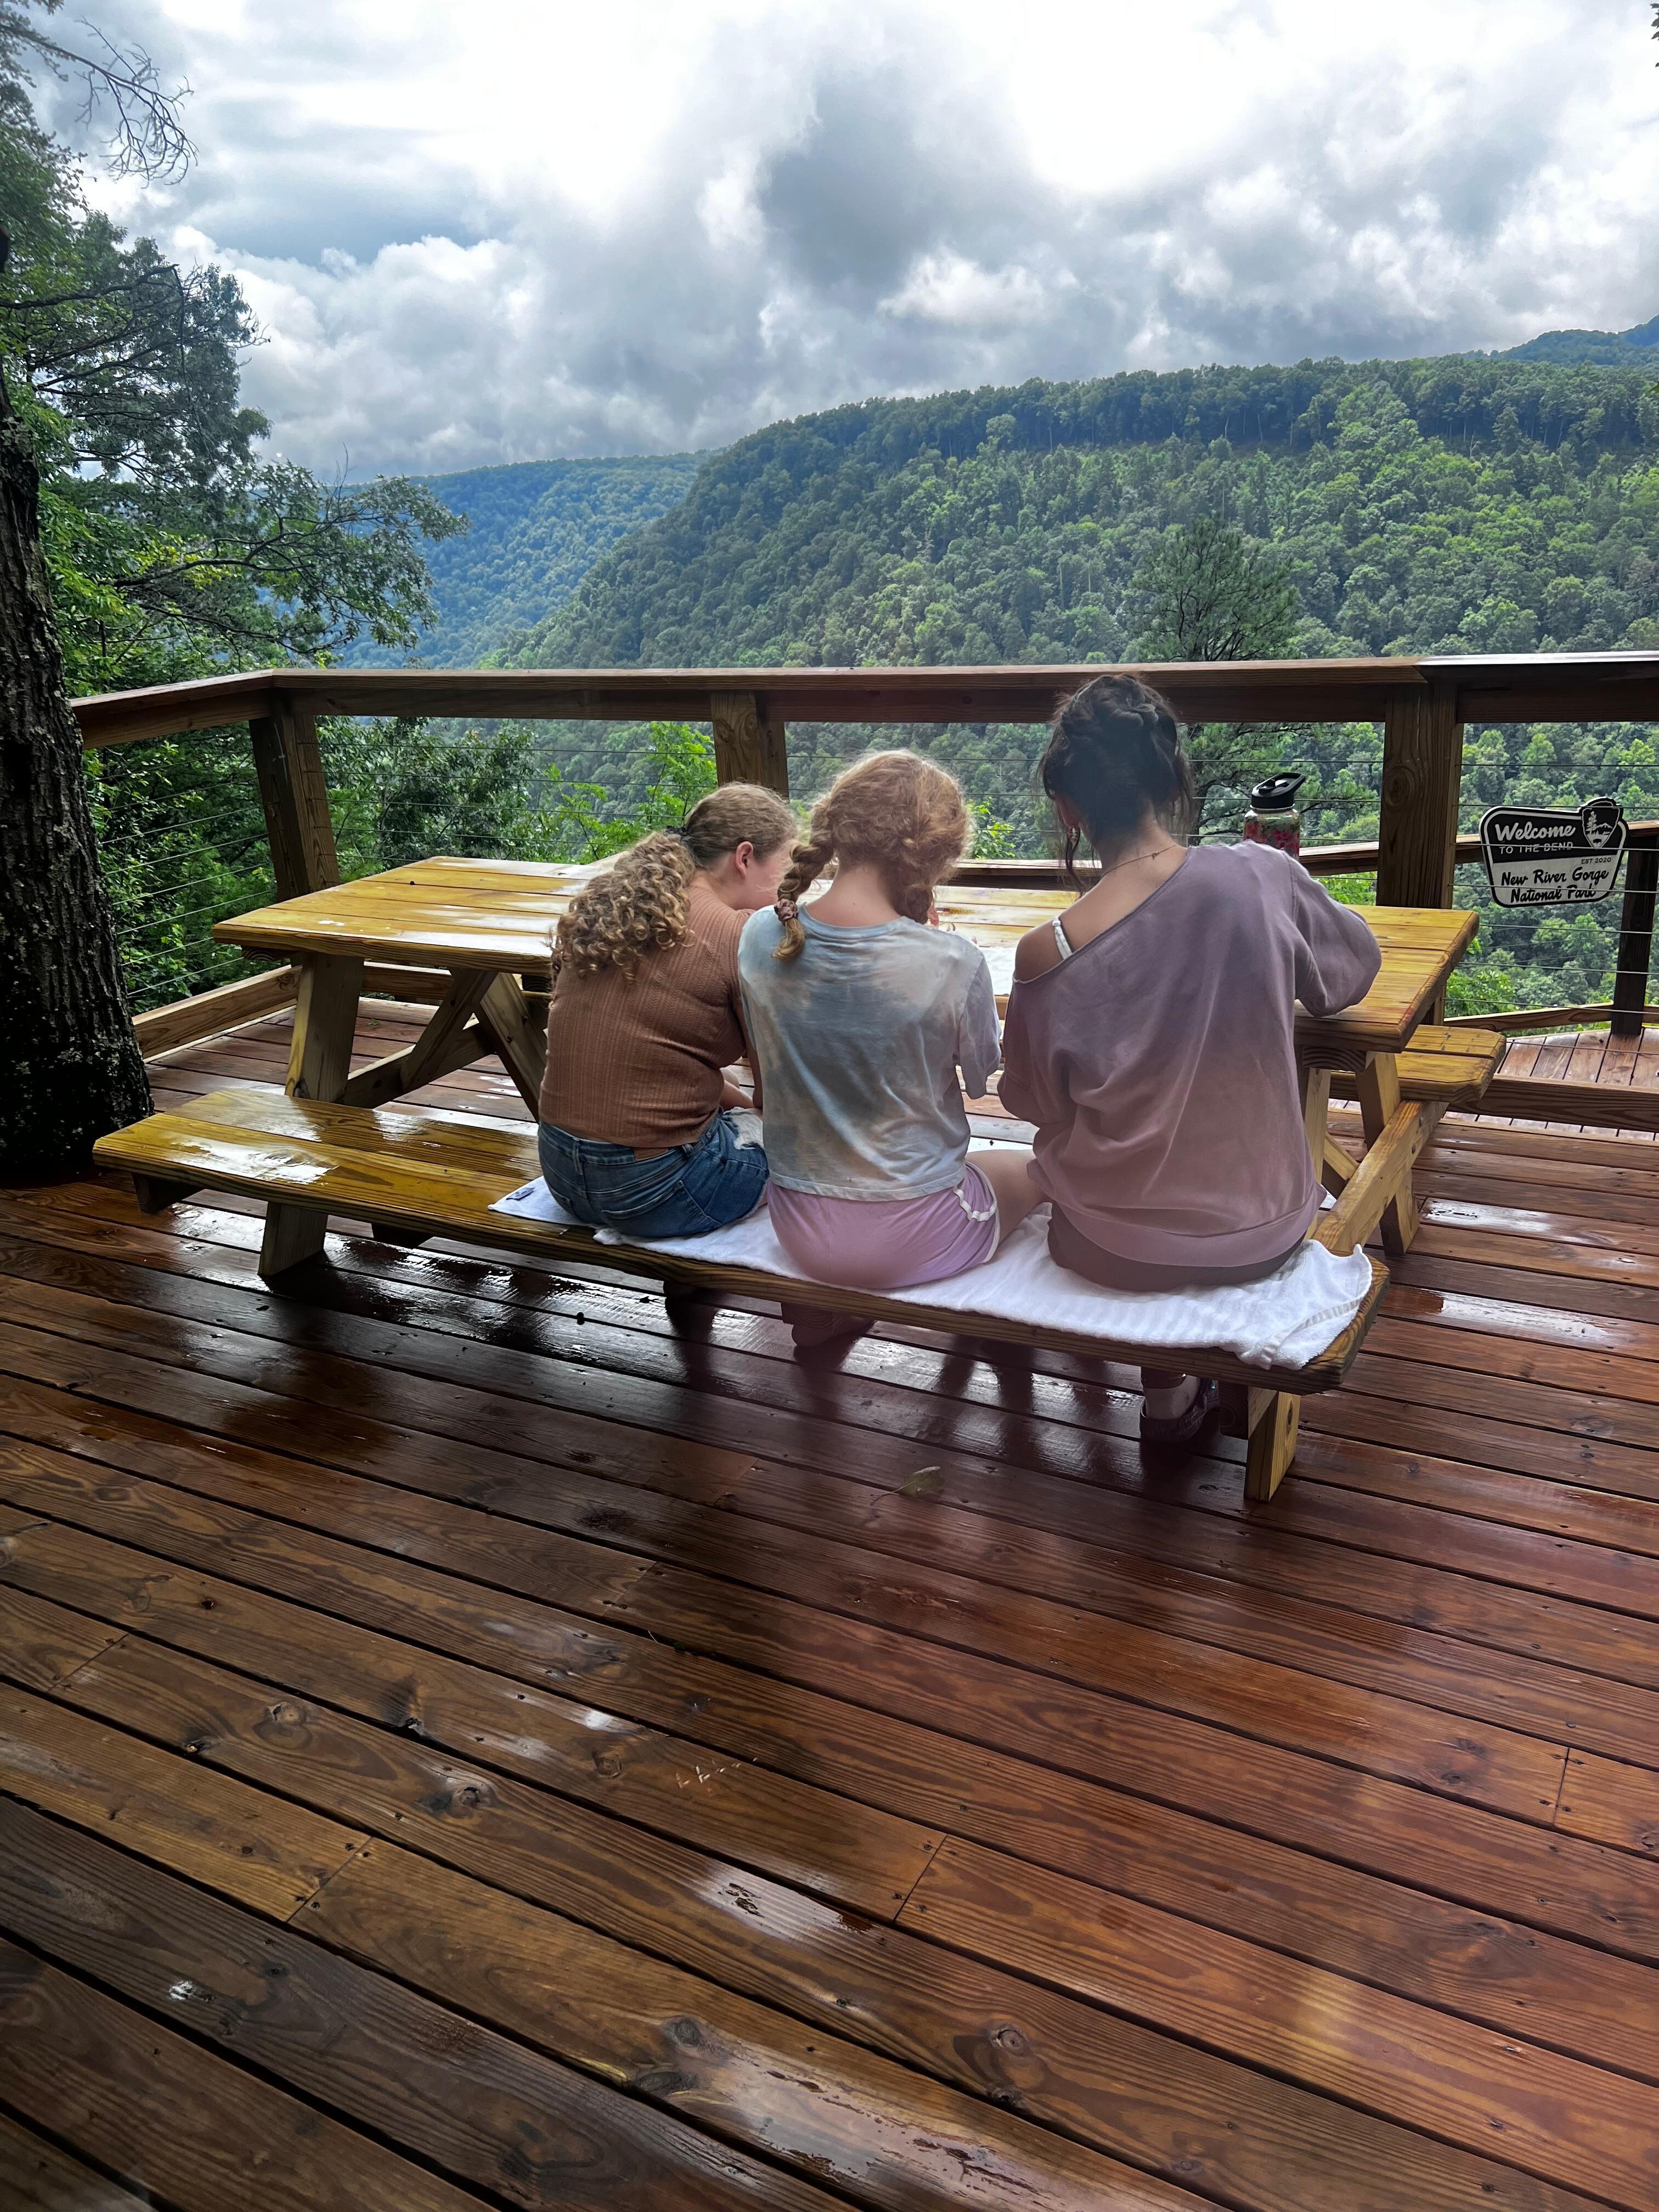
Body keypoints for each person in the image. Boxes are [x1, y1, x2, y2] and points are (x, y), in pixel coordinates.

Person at [1000, 674, 1381, 1444]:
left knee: (1035, 1170)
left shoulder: (1048, 951)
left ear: (1068, 808)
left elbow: (1035, 1106)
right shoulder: (1260, 874)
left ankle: (1167, 1390)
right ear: (1170, 781)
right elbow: (1353, 973)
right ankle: (1187, 1389)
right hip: (1264, 1227)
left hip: (1111, 1244)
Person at [738, 751, 1041, 1347]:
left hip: (798, 1226)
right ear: (934, 856)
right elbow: (982, 1081)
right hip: (918, 1232)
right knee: (1039, 1171)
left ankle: (831, 1313)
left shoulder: (758, 935)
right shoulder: (951, 961)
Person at [537, 783, 796, 1237]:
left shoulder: (623, 908)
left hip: (561, 1171)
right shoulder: (738, 933)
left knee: (726, 1085)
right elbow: (777, 1098)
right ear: (745, 857)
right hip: (656, 1191)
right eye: (787, 867)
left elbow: (660, 1053)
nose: (791, 886)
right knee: (809, 1161)